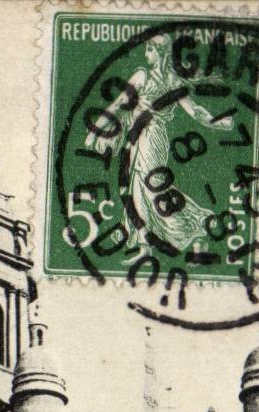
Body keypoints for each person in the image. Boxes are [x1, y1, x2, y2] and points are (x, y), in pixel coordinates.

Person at [85, 35, 234, 254]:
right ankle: (145, 241)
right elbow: (118, 105)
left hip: (150, 136)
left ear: (160, 53)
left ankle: (195, 223)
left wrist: (218, 122)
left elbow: (117, 105)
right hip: (141, 136)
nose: (146, 54)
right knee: (139, 185)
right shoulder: (164, 79)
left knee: (151, 185)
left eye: (150, 50)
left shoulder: (150, 78)